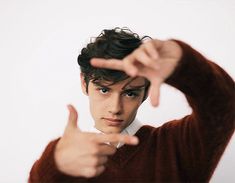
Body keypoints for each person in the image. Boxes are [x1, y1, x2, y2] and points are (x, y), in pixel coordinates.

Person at [29, 28, 235, 183]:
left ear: (145, 91)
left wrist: (186, 64)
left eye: (129, 93)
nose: (115, 107)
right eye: (104, 90)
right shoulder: (70, 158)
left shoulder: (178, 145)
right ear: (84, 83)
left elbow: (226, 105)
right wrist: (54, 165)